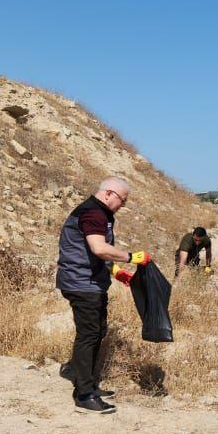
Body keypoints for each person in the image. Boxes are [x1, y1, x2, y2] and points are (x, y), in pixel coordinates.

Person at [54, 177, 152, 415]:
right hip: (81, 284)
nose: (123, 205)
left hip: (91, 283)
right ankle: (84, 394)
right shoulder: (93, 213)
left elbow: (92, 252)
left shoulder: (102, 214)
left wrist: (115, 271)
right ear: (108, 193)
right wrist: (131, 257)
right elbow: (98, 248)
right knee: (88, 334)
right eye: (122, 200)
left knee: (97, 331)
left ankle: (82, 377)